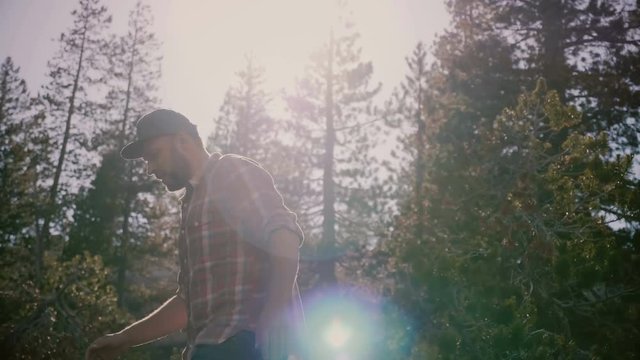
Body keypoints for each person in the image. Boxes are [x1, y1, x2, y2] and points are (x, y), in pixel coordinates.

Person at [85, 109, 304, 360]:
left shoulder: (230, 171)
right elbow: (186, 304)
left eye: (154, 155)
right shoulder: (191, 204)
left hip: (247, 342)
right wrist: (123, 339)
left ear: (183, 142)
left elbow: (284, 234)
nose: (149, 169)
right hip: (210, 348)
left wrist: (276, 313)